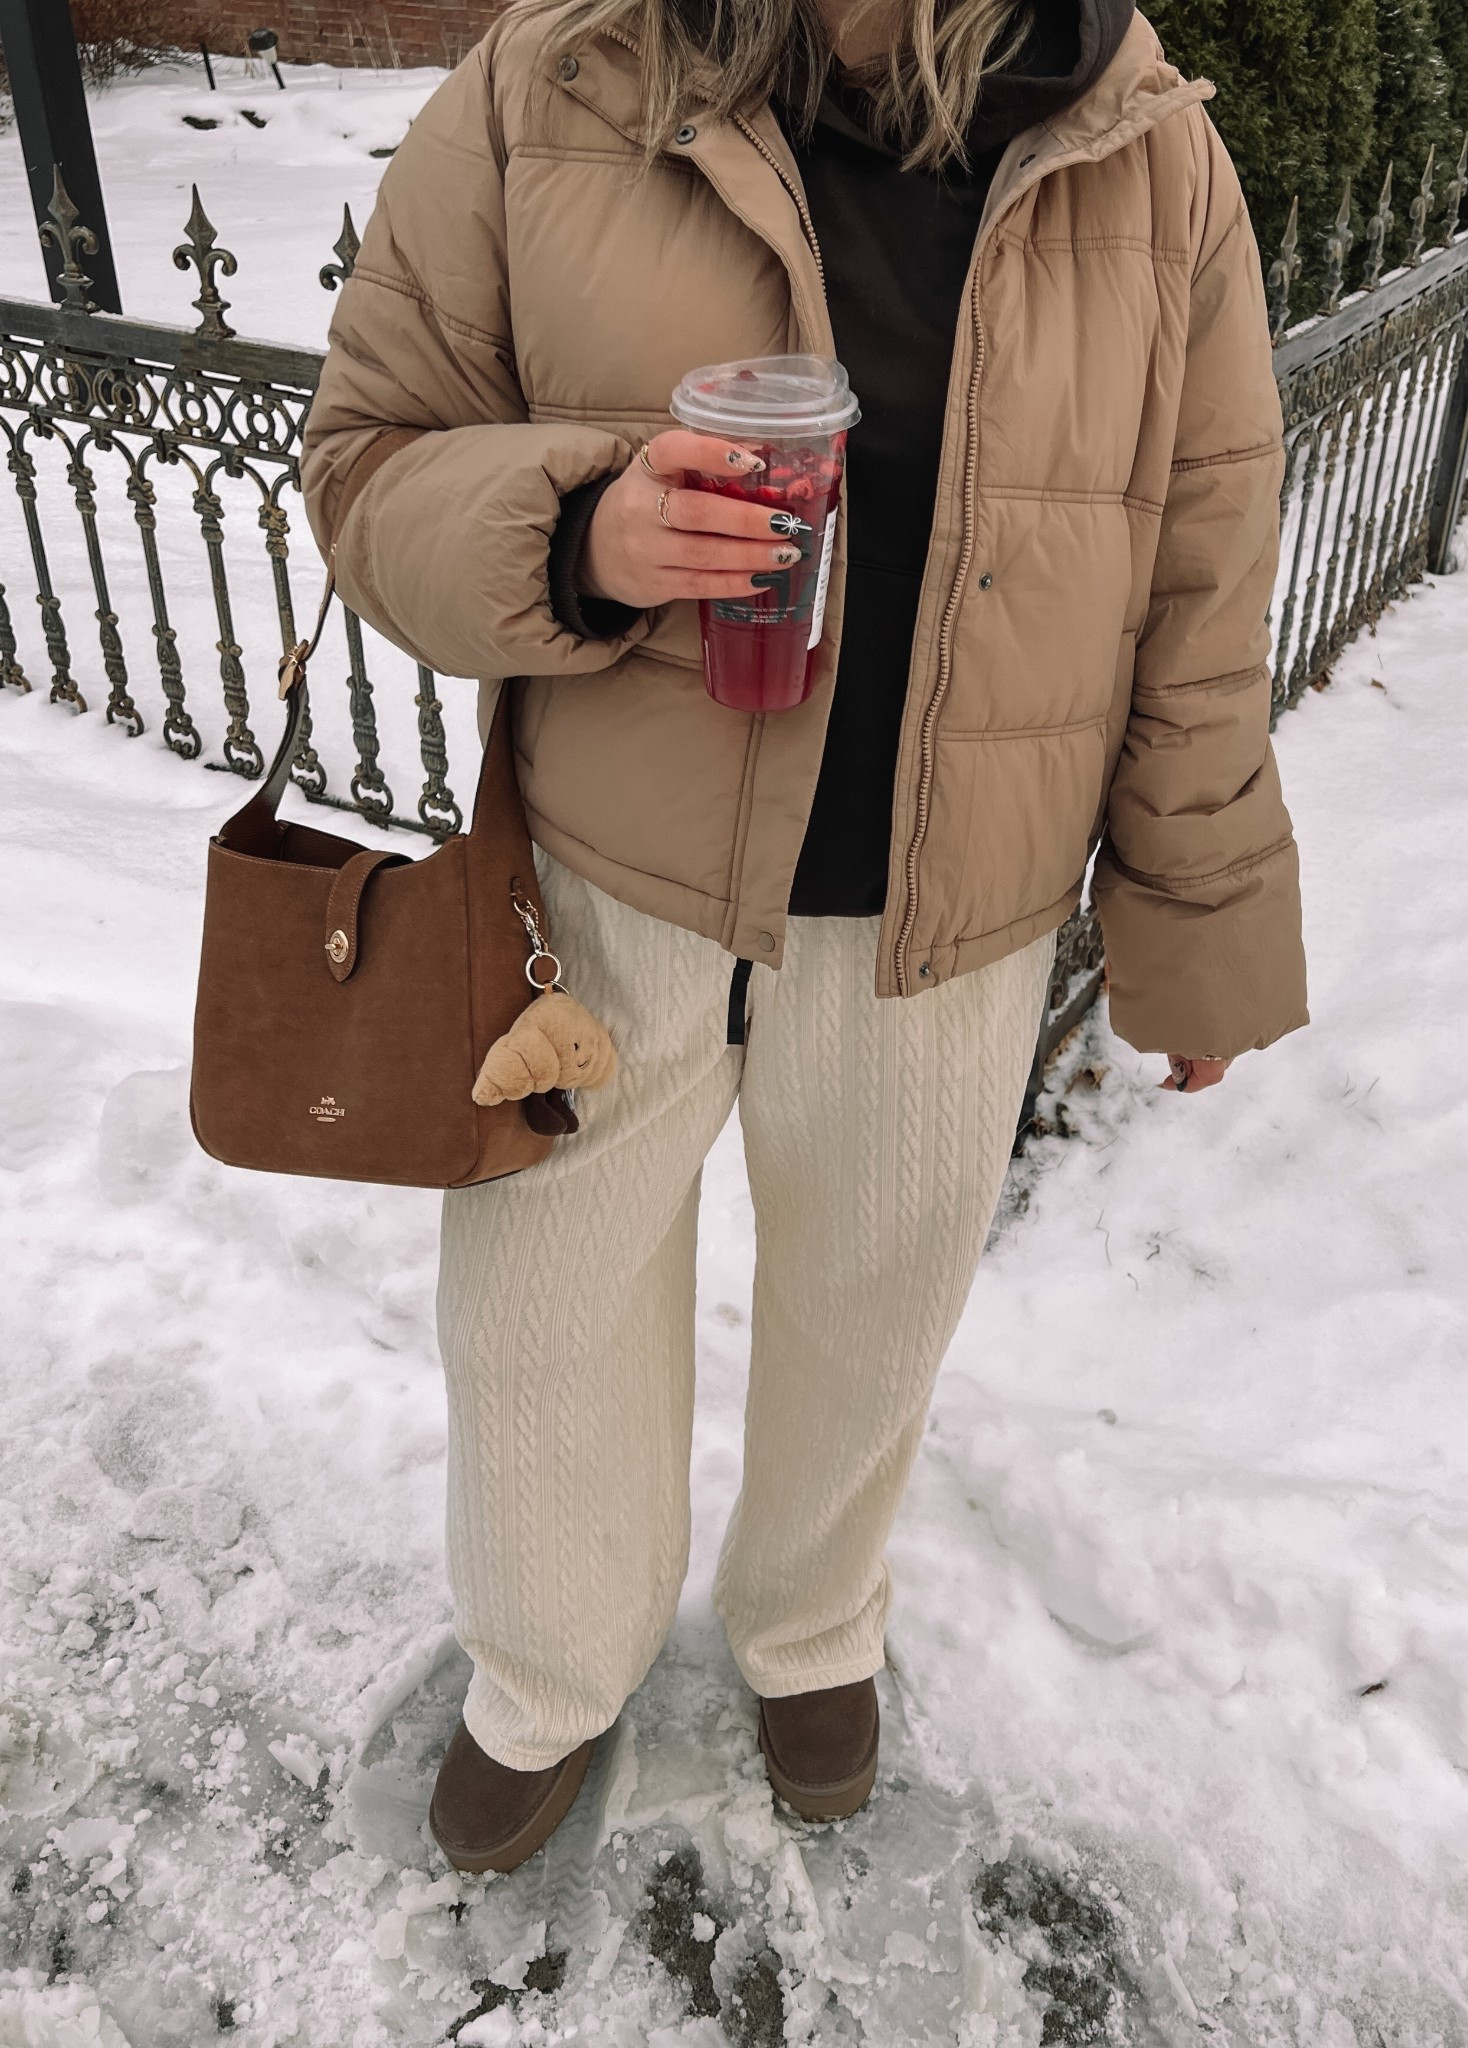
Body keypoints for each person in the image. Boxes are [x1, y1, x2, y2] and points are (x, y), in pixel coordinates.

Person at [301, 0, 1307, 1874]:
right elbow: (371, 457)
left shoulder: (1140, 141)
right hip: (607, 891)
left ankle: (812, 1625)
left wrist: (1198, 912)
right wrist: (580, 528)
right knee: (538, 1325)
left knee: (874, 1316)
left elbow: (1200, 565)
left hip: (952, 914)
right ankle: (549, 1664)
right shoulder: (560, 78)